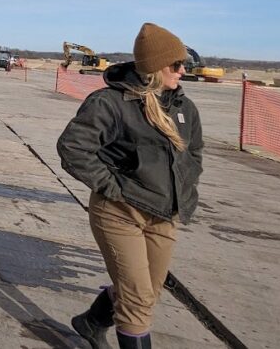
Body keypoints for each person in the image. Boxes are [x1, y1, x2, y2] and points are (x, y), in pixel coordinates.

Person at [57, 23, 204, 349]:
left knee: (149, 291)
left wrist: (185, 189)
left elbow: (193, 153)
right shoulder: (111, 103)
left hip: (163, 214)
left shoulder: (184, 109)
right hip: (119, 212)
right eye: (175, 65)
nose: (183, 71)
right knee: (137, 301)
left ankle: (91, 322)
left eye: (184, 64)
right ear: (154, 67)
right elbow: (72, 149)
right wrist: (113, 186)